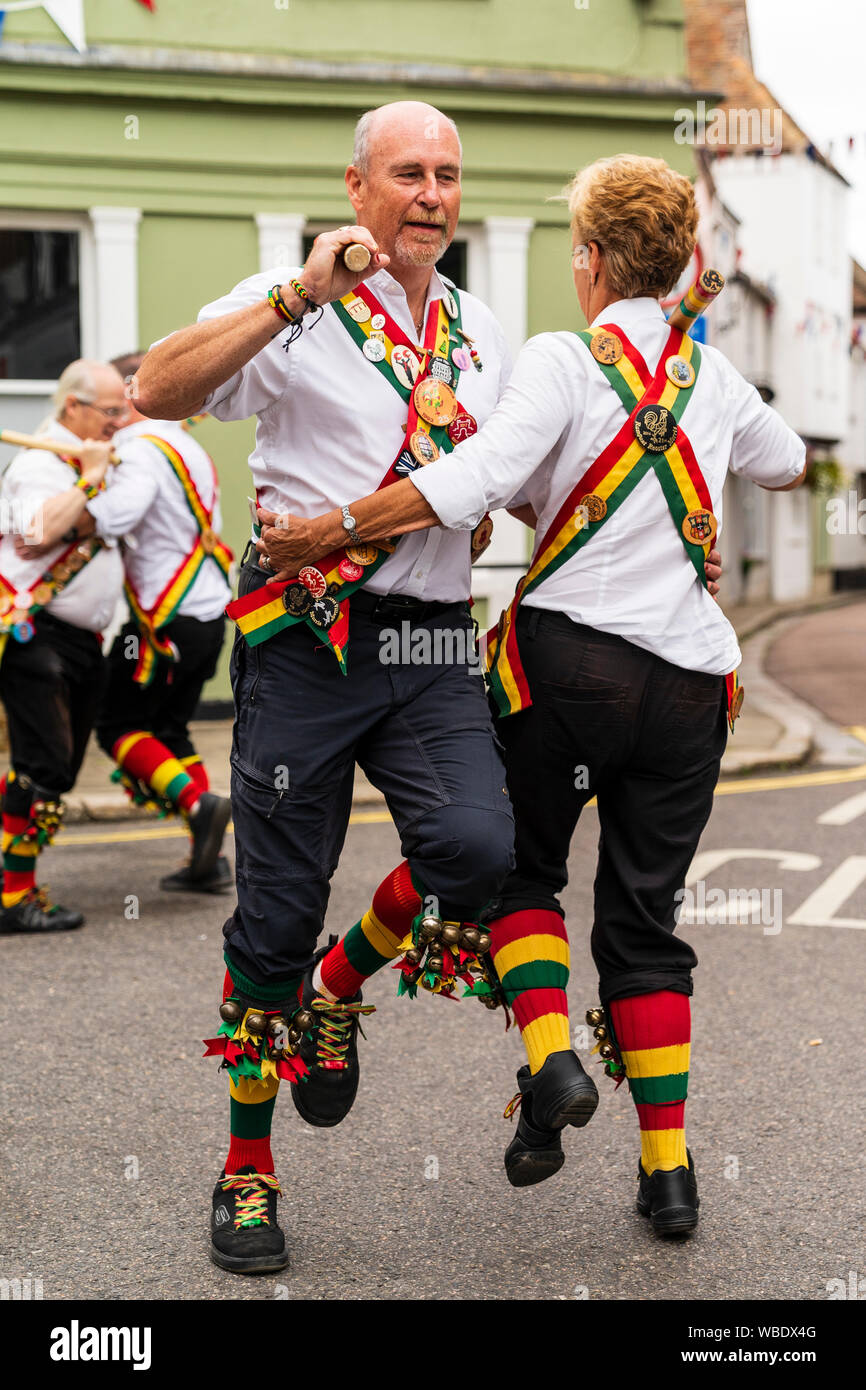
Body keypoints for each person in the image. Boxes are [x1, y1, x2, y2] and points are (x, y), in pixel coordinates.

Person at [256, 154, 806, 1237]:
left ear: (591, 261)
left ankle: (550, 1062)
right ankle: (668, 1176)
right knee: (645, 926)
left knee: (517, 871)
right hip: (692, 687)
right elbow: (785, 464)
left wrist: (330, 529)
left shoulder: (561, 355)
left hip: (571, 667)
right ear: (682, 263)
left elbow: (473, 481)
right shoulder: (714, 376)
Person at [134, 100, 521, 1276]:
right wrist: (297, 294)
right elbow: (158, 388)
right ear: (355, 189)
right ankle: (246, 1171)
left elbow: (513, 475)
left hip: (430, 642)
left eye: (447, 175)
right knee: (271, 917)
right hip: (305, 641)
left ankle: (337, 989)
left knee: (476, 848)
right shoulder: (288, 300)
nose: (431, 195)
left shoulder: (481, 326)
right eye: (406, 173)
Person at [92, 352, 233, 893]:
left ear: (135, 392)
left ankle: (198, 806)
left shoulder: (138, 450)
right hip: (205, 615)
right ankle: (210, 860)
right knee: (171, 728)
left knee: (118, 725)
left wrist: (80, 496)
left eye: (112, 403)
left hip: (161, 624)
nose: (108, 417)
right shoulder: (186, 446)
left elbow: (119, 514)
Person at [0, 360, 127, 933]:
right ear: (71, 406)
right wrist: (85, 480)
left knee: (59, 772)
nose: (118, 421)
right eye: (109, 411)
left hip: (82, 641)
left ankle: (13, 884)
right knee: (42, 766)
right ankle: (13, 896)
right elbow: (35, 531)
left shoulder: (93, 460)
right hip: (35, 635)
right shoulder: (37, 464)